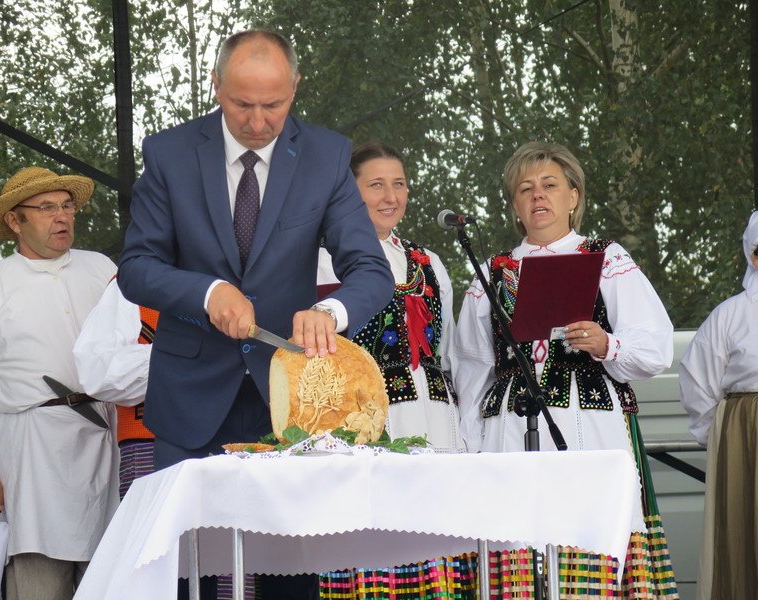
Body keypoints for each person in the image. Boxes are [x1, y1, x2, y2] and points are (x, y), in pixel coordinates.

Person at [117, 29, 393, 599]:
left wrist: (332, 312)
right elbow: (138, 267)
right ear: (216, 86)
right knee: (183, 573)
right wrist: (206, 291)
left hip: (289, 403)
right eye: (242, 104)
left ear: (295, 88)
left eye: (274, 104)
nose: (259, 121)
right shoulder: (169, 153)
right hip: (189, 398)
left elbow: (371, 269)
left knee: (289, 576)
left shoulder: (326, 155)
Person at [451, 141, 679, 598]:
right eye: (526, 188)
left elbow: (655, 347)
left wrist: (606, 343)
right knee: (515, 544)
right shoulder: (492, 273)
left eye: (550, 185)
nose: (538, 196)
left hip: (587, 422)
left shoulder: (605, 258)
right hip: (509, 432)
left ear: (573, 197)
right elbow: (470, 366)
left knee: (589, 539)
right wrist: (472, 443)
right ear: (515, 206)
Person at [318, 143, 471, 599]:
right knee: (376, 544)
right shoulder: (323, 259)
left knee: (436, 536)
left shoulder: (429, 262)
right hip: (368, 421)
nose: (391, 196)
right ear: (350, 192)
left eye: (399, 184)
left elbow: (450, 350)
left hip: (436, 419)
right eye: (376, 185)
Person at [0, 166, 118, 600]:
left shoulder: (102, 270)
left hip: (104, 435)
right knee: (38, 583)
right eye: (47, 208)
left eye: (67, 206)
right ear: (16, 220)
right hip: (31, 448)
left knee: (111, 575)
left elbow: (133, 350)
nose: (62, 217)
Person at [72, 278, 259, 600]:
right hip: (151, 448)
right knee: (163, 572)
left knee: (239, 572)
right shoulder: (136, 284)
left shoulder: (254, 280)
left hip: (239, 448)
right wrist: (183, 358)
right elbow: (96, 373)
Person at [679, 210, 758, 600]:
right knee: (743, 534)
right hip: (745, 433)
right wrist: (723, 439)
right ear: (754, 256)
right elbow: (698, 380)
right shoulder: (731, 315)